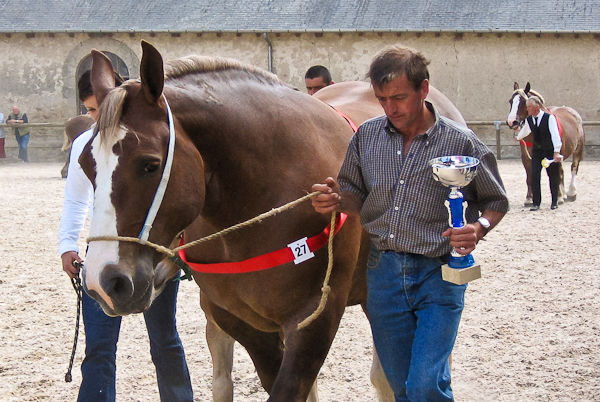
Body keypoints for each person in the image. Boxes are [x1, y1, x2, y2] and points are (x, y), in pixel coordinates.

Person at [311, 45, 508, 402]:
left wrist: (478, 228)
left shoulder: (459, 141)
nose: (391, 108)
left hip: (439, 274)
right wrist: (335, 201)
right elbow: (355, 197)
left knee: (424, 385)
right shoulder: (366, 137)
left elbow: (496, 200)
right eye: (382, 98)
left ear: (424, 89)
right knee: (400, 386)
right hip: (383, 273)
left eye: (399, 97)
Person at [58, 70, 194, 402]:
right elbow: (76, 199)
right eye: (90, 111)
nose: (95, 118)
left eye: (99, 109)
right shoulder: (85, 143)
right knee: (100, 347)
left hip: (147, 249)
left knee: (164, 339)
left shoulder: (141, 139)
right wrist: (66, 245)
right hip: (104, 251)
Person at [514, 96, 562, 211]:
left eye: (529, 107)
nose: (528, 109)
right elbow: (525, 130)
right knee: (534, 176)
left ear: (537, 107)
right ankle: (536, 203)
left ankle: (554, 201)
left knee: (553, 176)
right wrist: (518, 137)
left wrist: (556, 151)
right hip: (537, 152)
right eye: (527, 107)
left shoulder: (549, 118)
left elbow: (555, 135)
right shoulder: (529, 120)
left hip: (549, 151)